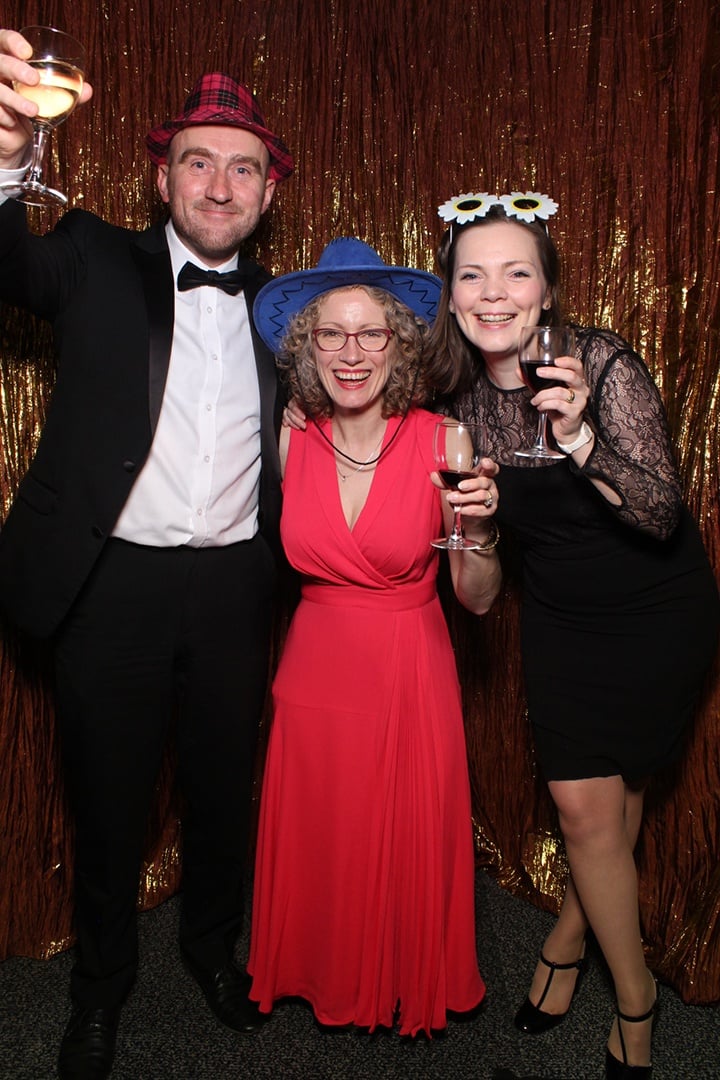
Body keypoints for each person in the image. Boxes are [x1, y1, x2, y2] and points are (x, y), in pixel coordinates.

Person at [0, 27, 293, 1080]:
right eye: (198, 162)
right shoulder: (90, 255)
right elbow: (6, 262)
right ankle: (99, 991)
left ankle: (213, 951)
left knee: (223, 790)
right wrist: (6, 160)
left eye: (242, 168)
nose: (219, 185)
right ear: (163, 176)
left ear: (267, 190)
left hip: (235, 588)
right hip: (111, 584)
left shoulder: (287, 311)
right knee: (109, 801)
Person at [424, 190, 720, 1078]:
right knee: (587, 807)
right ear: (451, 293)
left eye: (516, 273)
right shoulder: (456, 403)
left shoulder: (602, 362)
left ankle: (573, 941)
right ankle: (637, 998)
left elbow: (661, 514)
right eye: (472, 275)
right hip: (559, 621)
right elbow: (480, 597)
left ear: (547, 290)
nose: (493, 292)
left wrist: (580, 436)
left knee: (620, 799)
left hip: (659, 610)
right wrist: (475, 527)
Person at [247, 237, 501, 1036]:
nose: (351, 353)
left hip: (405, 671)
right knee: (325, 832)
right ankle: (319, 970)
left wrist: (479, 533)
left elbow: (478, 600)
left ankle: (394, 975)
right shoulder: (291, 438)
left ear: (399, 344)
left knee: (398, 837)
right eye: (331, 333)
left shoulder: (443, 441)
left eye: (370, 333)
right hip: (313, 673)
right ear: (307, 346)